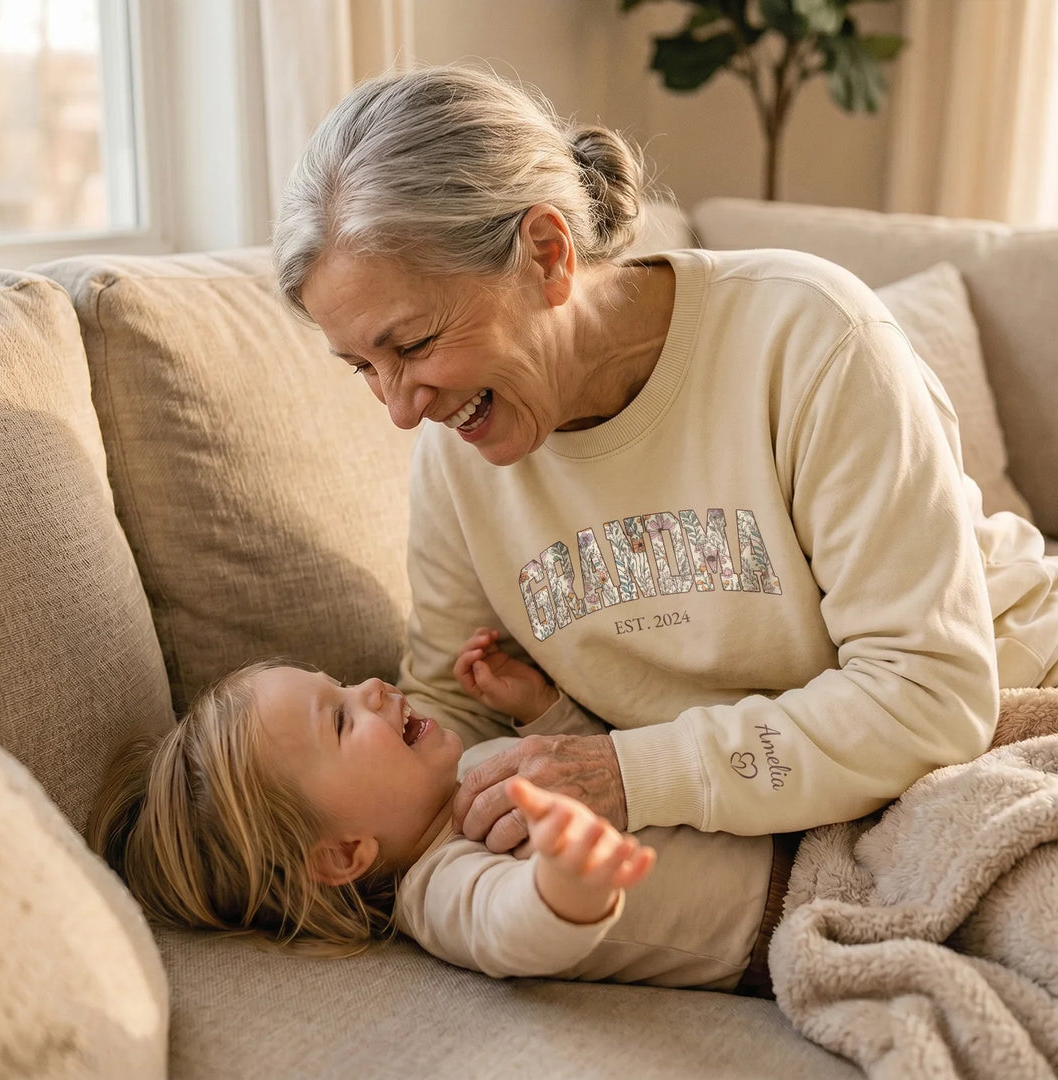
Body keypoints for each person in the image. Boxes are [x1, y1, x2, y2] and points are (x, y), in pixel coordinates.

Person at [272, 64, 1058, 856]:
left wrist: (630, 772)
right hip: (787, 797)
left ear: (547, 254)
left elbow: (927, 696)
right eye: (364, 368)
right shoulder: (456, 451)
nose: (403, 411)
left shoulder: (810, 337)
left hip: (1012, 702)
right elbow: (452, 711)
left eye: (412, 345)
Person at [88, 649, 786, 995]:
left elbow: (599, 773)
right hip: (782, 912)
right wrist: (568, 881)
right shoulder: (440, 889)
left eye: (339, 684)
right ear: (341, 856)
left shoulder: (465, 771)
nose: (369, 688)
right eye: (340, 719)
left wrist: (546, 717)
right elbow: (513, 929)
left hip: (786, 823)